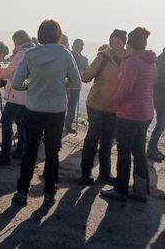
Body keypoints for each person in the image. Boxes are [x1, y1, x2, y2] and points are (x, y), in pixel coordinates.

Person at [12, 19, 81, 207]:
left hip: (33, 108)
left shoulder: (30, 54)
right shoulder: (65, 54)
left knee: (30, 152)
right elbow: (77, 82)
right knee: (52, 153)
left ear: (40, 35)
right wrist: (60, 84)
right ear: (58, 35)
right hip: (56, 110)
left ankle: (21, 192)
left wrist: (31, 85)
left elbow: (17, 84)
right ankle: (49, 193)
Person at [101, 27, 157, 202]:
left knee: (124, 151)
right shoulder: (151, 61)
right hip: (146, 113)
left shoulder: (132, 61)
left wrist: (115, 101)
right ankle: (141, 190)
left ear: (130, 45)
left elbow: (126, 88)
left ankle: (121, 189)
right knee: (139, 151)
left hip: (129, 114)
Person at [79, 29, 127, 184]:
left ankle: (105, 174)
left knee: (107, 141)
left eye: (118, 42)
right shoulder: (103, 56)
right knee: (92, 138)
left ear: (124, 43)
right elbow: (87, 75)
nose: (114, 45)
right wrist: (81, 73)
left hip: (115, 107)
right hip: (96, 104)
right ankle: (85, 173)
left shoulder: (129, 58)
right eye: (112, 42)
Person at [0, 30, 32, 165]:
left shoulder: (21, 54)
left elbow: (9, 74)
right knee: (22, 124)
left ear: (17, 41)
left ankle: (5, 154)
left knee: (6, 122)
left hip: (16, 95)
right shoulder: (34, 51)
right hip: (29, 95)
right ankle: (21, 151)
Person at [64, 38, 89, 134]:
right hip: (65, 84)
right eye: (78, 46)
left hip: (75, 86)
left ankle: (67, 126)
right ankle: (63, 125)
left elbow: (86, 72)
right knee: (64, 105)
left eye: (80, 46)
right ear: (73, 46)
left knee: (72, 106)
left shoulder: (84, 59)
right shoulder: (67, 56)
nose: (79, 48)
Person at [147, 48, 165, 161]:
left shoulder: (161, 58)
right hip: (161, 98)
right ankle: (151, 150)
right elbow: (158, 80)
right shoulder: (162, 60)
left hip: (161, 97)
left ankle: (153, 148)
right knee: (161, 124)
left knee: (161, 124)